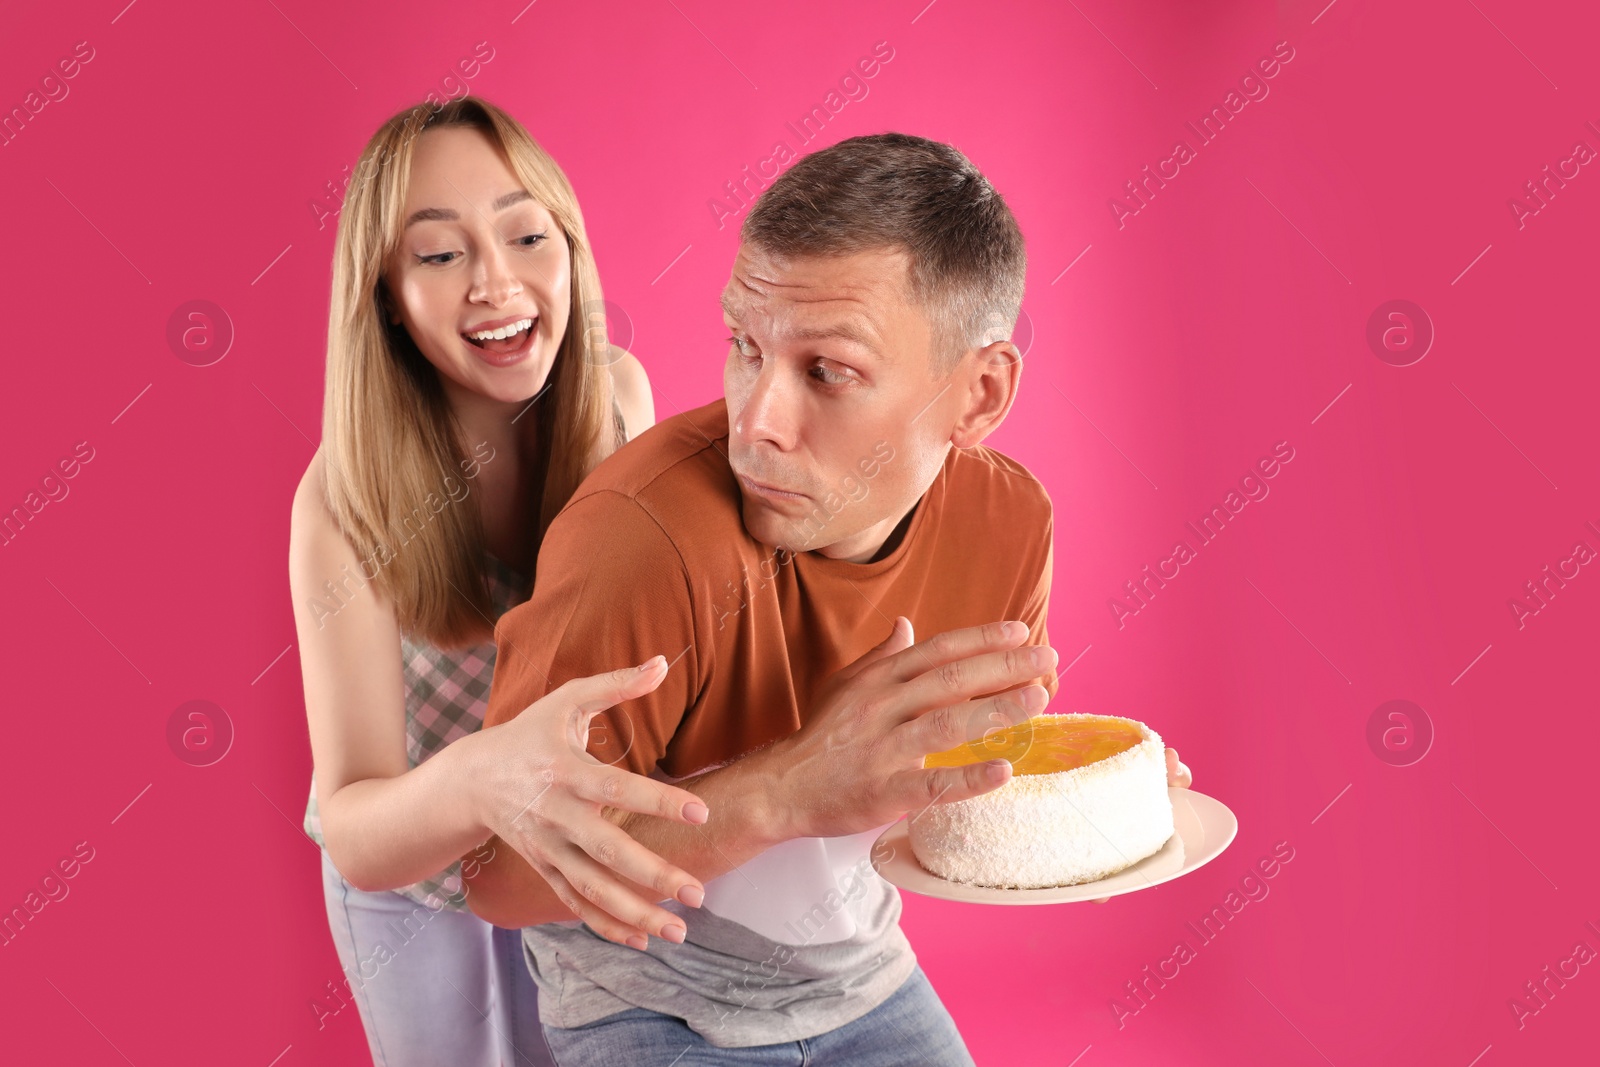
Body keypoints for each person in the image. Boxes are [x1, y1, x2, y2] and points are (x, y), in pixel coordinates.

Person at [463, 132, 1194, 1065]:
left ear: (979, 393)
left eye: (828, 371)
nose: (756, 424)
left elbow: (954, 770)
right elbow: (498, 875)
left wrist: (1097, 797)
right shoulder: (638, 538)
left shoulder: (1012, 521)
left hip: (862, 976)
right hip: (644, 998)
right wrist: (788, 789)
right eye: (744, 346)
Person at [288, 97, 712, 1067]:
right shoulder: (340, 503)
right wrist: (481, 781)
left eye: (527, 233)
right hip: (413, 875)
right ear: (387, 292)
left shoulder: (619, 398)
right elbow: (357, 822)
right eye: (439, 253)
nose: (496, 280)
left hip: (561, 847)